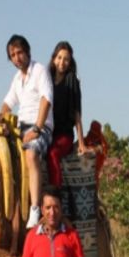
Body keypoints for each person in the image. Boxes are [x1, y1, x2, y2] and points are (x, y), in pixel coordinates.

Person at [0, 34, 54, 228]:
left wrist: (38, 128)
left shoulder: (40, 71)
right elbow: (8, 103)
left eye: (19, 52)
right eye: (12, 55)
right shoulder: (17, 79)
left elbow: (46, 99)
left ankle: (34, 209)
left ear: (28, 51)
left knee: (31, 154)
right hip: (21, 127)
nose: (17, 58)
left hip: (41, 126)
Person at [47, 41, 87, 188]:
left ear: (70, 62)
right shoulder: (46, 79)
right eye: (59, 57)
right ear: (53, 58)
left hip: (64, 134)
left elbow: (76, 112)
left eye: (66, 59)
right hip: (48, 131)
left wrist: (81, 142)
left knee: (52, 153)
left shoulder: (72, 81)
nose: (62, 62)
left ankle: (55, 193)